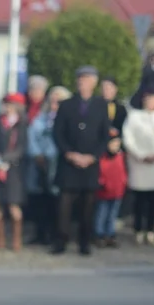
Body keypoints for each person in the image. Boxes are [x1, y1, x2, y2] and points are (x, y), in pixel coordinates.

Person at [52, 66, 110, 256]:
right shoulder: (66, 104)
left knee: (88, 205)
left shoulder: (101, 105)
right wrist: (69, 153)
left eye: (87, 79)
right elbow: (58, 133)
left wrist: (93, 156)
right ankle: (61, 240)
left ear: (94, 83)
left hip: (90, 163)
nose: (83, 83)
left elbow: (104, 136)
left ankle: (84, 242)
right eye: (81, 79)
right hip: (69, 162)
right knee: (64, 205)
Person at [27, 86, 72, 247]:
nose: (54, 104)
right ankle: (40, 233)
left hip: (57, 162)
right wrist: (37, 154)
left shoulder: (67, 119)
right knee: (40, 199)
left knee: (56, 200)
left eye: (58, 101)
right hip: (40, 161)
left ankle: (55, 233)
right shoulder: (41, 117)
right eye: (52, 101)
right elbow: (32, 135)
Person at [0, 93, 28, 252]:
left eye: (11, 104)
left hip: (14, 171)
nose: (8, 107)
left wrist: (7, 160)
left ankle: (16, 240)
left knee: (14, 207)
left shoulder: (21, 125)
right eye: (6, 104)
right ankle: (0, 240)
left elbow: (21, 147)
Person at [122, 85, 154, 245]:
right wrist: (141, 155)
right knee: (139, 198)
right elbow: (128, 138)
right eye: (148, 98)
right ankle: (138, 229)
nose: (151, 101)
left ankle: (151, 230)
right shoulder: (135, 117)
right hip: (139, 162)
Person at [94, 131, 127, 248]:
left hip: (117, 191)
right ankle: (99, 234)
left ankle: (110, 234)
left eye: (118, 144)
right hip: (104, 191)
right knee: (101, 213)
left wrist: (123, 183)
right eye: (113, 144)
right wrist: (102, 183)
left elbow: (122, 173)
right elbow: (100, 173)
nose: (115, 147)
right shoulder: (102, 158)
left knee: (112, 214)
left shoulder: (120, 156)